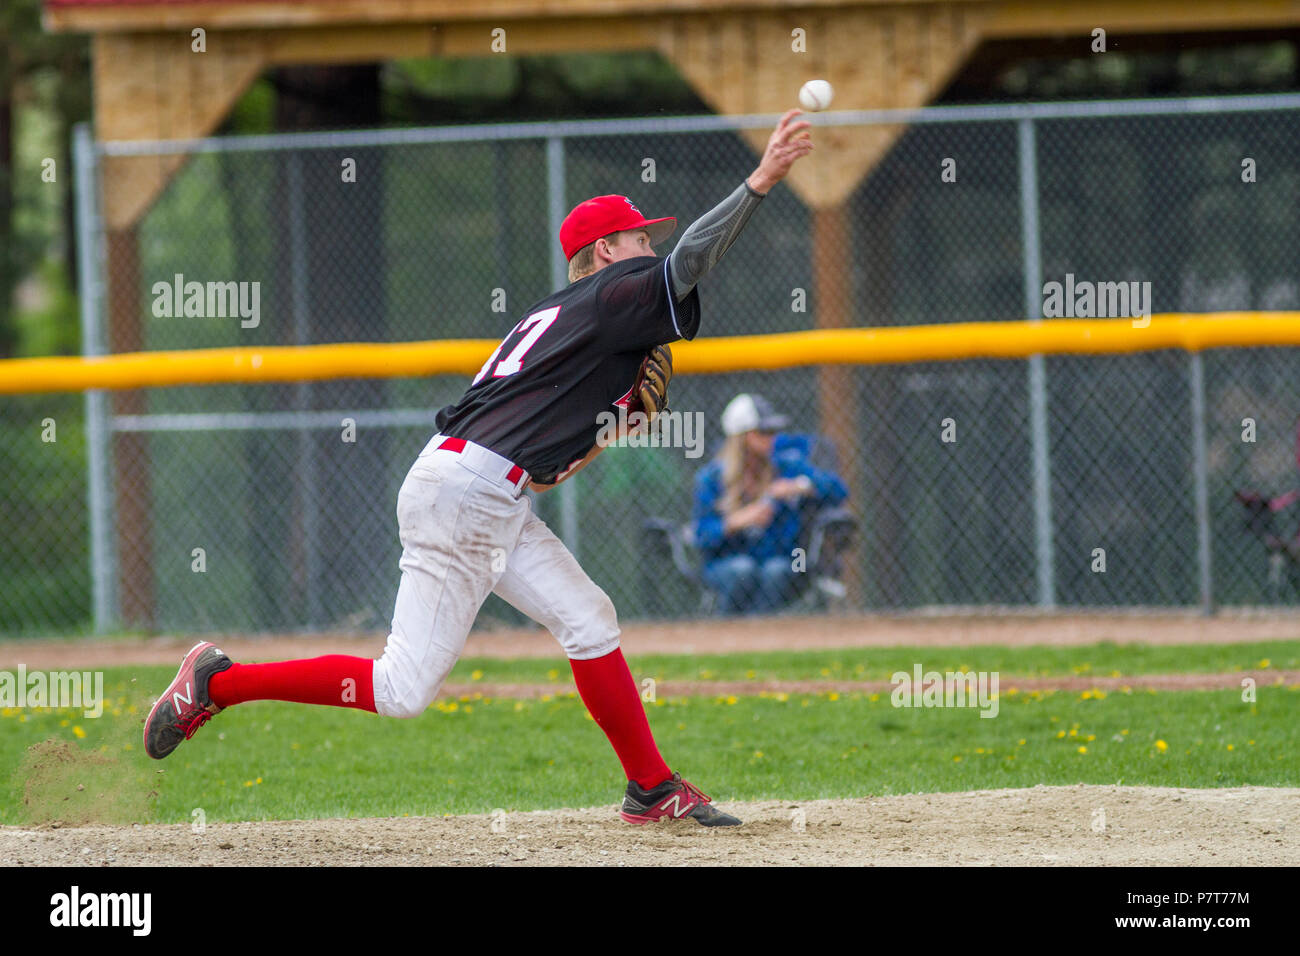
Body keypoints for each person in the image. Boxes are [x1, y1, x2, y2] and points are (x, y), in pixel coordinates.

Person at [142, 110, 815, 828]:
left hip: (482, 490)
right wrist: (761, 180)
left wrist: (612, 423)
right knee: (403, 687)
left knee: (589, 620)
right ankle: (219, 683)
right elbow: (692, 261)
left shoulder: (572, 314)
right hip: (469, 496)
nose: (650, 248)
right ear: (606, 251)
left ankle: (650, 788)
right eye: (639, 238)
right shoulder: (616, 292)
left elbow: (550, 470)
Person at [693, 394, 848, 615]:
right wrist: (737, 521)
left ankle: (762, 631)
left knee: (777, 570)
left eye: (773, 432)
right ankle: (727, 630)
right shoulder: (712, 478)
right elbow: (701, 536)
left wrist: (800, 485)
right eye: (763, 432)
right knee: (742, 570)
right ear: (742, 437)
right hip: (724, 562)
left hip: (789, 558)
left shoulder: (785, 466)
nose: (772, 438)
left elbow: (839, 490)